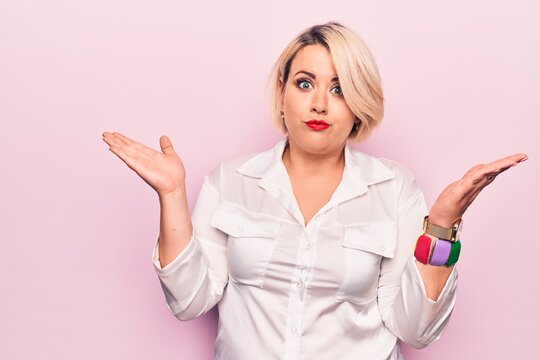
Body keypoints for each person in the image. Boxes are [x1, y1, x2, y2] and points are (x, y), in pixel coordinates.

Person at [102, 21, 527, 360]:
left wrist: (441, 226)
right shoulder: (230, 180)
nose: (320, 103)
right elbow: (189, 301)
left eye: (340, 88)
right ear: (282, 93)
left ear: (359, 104)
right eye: (305, 83)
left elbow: (416, 330)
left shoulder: (394, 188)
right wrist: (172, 194)